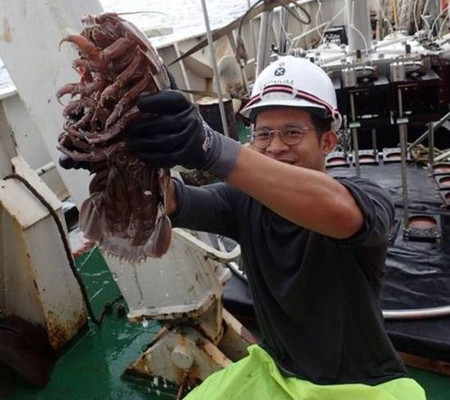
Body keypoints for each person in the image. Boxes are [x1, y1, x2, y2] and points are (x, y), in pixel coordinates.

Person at [71, 56, 426, 399]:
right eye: (263, 134)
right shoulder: (242, 202)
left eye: (292, 133)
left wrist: (210, 147)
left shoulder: (367, 198)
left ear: (327, 142)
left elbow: (342, 213)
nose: (275, 147)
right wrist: (116, 154)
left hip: (365, 386)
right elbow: (171, 200)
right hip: (277, 371)